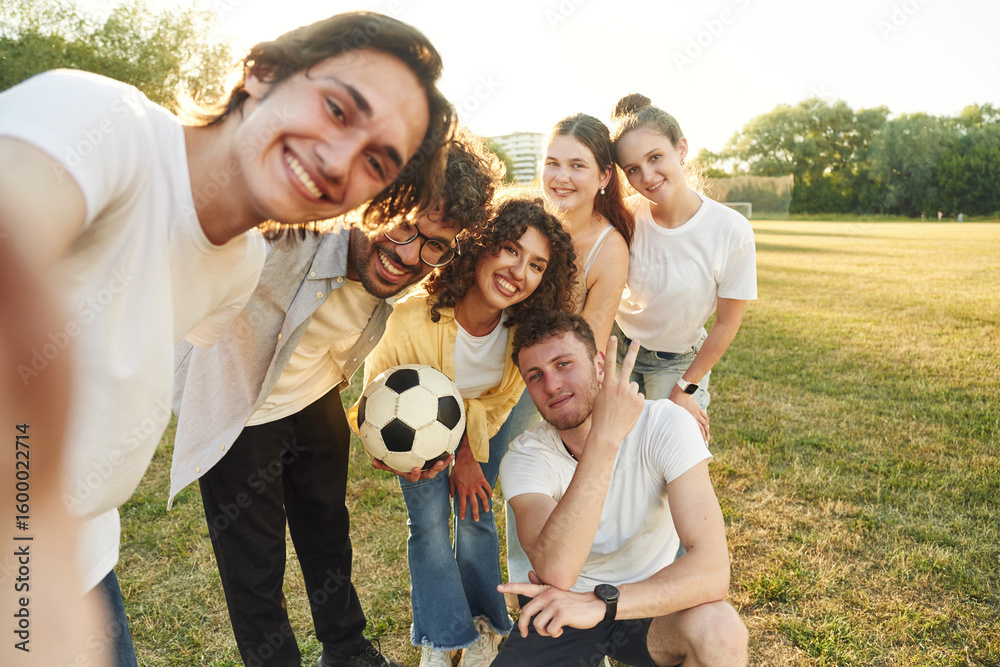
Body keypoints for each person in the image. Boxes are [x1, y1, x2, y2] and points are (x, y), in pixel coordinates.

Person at [0, 10, 454, 665]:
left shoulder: (237, 265)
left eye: (375, 161)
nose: (338, 160)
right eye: (337, 108)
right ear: (263, 71)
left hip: (86, 560)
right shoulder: (106, 124)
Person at [170, 135, 498, 667]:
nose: (408, 254)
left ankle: (346, 649)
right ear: (377, 198)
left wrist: (398, 432)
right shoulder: (284, 234)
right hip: (239, 408)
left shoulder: (417, 269)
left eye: (435, 244)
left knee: (328, 532)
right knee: (255, 566)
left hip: (315, 392)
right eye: (404, 225)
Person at [348, 197, 576, 667]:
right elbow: (375, 399)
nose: (518, 272)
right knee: (428, 523)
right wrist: (395, 453)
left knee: (476, 512)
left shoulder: (522, 333)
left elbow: (502, 401)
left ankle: (485, 626)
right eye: (511, 249)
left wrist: (467, 456)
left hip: (484, 423)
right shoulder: (408, 318)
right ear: (480, 246)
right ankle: (443, 637)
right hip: (417, 437)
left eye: (536, 265)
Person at [494, 311, 748, 666]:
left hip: (647, 604)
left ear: (600, 365)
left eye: (563, 364)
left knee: (721, 630)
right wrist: (604, 440)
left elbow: (712, 570)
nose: (551, 385)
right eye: (535, 376)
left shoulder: (665, 423)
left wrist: (601, 603)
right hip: (563, 607)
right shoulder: (525, 457)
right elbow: (557, 572)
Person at [505, 112, 634, 595]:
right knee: (493, 488)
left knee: (547, 485)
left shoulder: (609, 247)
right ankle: (496, 608)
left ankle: (562, 594)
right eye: (552, 162)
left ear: (604, 177)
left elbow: (590, 341)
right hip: (494, 371)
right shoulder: (524, 220)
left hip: (546, 379)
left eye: (577, 166)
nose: (561, 177)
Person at [611, 93, 757, 442]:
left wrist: (686, 386)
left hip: (677, 360)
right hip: (618, 349)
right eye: (633, 169)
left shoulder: (731, 229)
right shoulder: (624, 217)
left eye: (655, 157)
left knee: (672, 452)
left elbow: (727, 322)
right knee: (615, 451)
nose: (647, 176)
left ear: (681, 149)